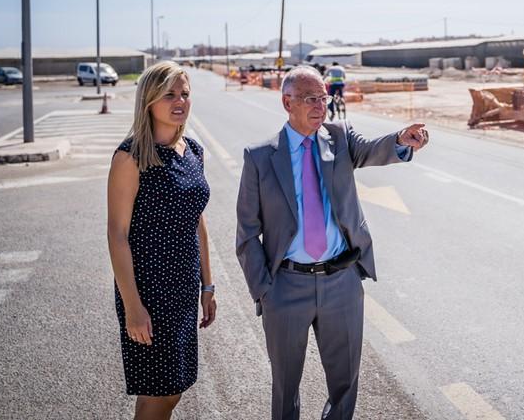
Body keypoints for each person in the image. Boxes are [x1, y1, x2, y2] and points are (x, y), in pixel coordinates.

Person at [235, 66, 428, 420]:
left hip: (341, 282)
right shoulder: (260, 157)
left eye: (324, 98)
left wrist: (401, 139)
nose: (320, 106)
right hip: (285, 287)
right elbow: (247, 232)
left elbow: (373, 149)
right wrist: (265, 290)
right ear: (287, 102)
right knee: (285, 388)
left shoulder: (339, 138)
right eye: (311, 99)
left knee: (345, 385)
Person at [107, 61, 216, 419]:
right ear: (149, 100)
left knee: (172, 389)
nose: (179, 101)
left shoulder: (193, 152)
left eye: (184, 93)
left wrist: (207, 286)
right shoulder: (131, 157)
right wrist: (133, 307)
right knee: (161, 391)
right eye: (169, 94)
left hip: (183, 287)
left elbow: (197, 220)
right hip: (148, 290)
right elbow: (117, 234)